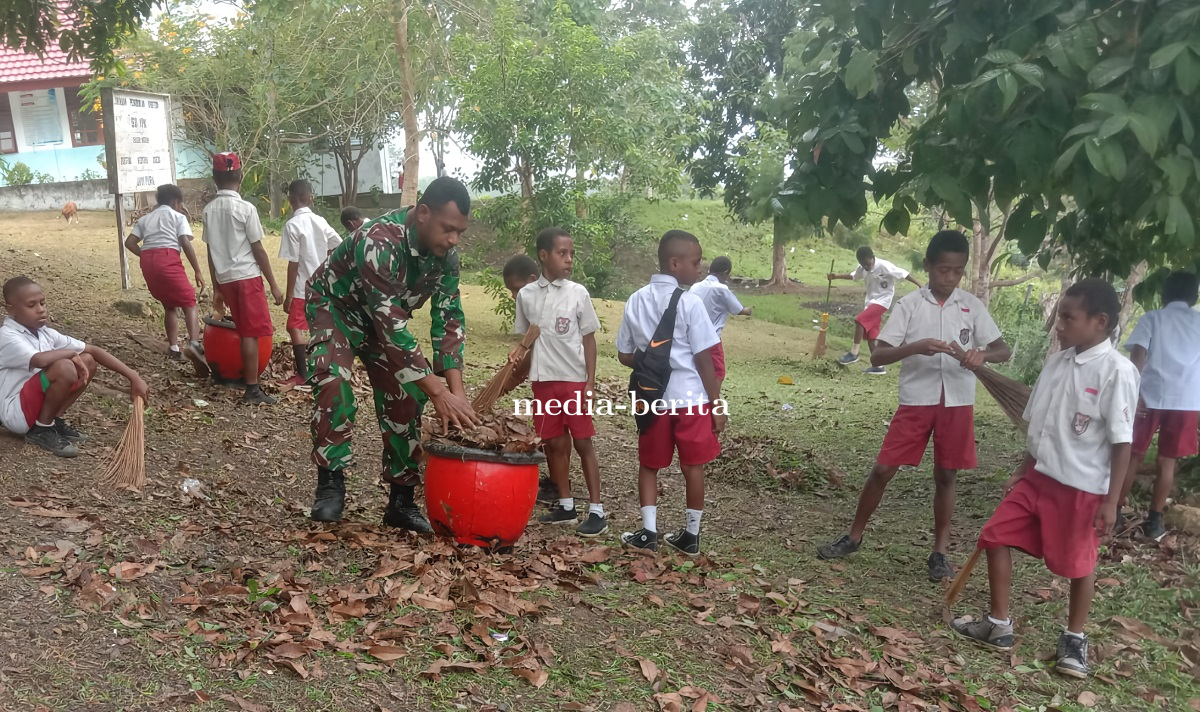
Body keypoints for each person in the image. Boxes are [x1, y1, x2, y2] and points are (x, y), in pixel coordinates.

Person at [952, 279, 1138, 679]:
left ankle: (1074, 639)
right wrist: (1021, 471)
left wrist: (1111, 500)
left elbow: (1123, 443)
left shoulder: (1116, 372)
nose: (1059, 325)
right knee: (995, 536)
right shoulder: (1057, 363)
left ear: (1100, 322)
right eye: (1059, 317)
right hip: (1037, 477)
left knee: (1079, 564)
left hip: (1081, 488)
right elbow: (1039, 424)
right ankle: (999, 623)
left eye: (1069, 318)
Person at [816, 230, 1011, 581]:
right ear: (928, 266)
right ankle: (854, 536)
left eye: (956, 271)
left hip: (957, 401)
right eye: (942, 270)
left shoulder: (971, 306)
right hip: (917, 400)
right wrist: (916, 347)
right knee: (883, 469)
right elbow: (880, 353)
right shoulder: (910, 305)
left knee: (946, 475)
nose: (949, 278)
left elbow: (1003, 350)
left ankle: (939, 552)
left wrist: (982, 354)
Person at [306, 176, 481, 532]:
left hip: (383, 321)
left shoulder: (446, 257)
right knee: (333, 382)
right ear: (423, 213)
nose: (453, 240)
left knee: (406, 395)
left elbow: (449, 318)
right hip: (337, 308)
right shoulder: (380, 241)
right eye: (448, 229)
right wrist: (438, 390)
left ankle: (401, 501)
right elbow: (391, 325)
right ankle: (331, 482)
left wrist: (456, 392)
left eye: (460, 232)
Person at [617, 230, 727, 555]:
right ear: (675, 263)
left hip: (653, 400)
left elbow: (624, 355)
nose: (700, 268)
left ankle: (648, 533)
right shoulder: (691, 303)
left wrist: (649, 360)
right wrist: (717, 405)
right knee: (693, 468)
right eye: (696, 262)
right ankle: (691, 537)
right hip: (691, 400)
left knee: (649, 466)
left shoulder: (635, 300)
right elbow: (705, 360)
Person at [509, 228, 606, 537]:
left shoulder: (578, 293)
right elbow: (527, 342)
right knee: (552, 443)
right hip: (543, 383)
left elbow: (589, 340)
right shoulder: (526, 296)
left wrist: (590, 383)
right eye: (562, 253)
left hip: (574, 382)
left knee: (582, 442)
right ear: (543, 255)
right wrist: (516, 360)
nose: (568, 259)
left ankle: (596, 510)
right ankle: (566, 505)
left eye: (571, 254)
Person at [0, 276, 149, 457]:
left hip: (34, 403)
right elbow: (39, 360)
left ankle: (52, 421)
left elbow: (93, 350)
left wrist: (133, 376)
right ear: (11, 309)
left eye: (42, 303)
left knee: (87, 360)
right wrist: (70, 354)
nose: (41, 310)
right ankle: (42, 429)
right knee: (64, 367)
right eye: (31, 306)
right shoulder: (8, 336)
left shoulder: (46, 334)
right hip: (16, 412)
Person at [1118, 271, 1200, 541]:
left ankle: (1116, 512)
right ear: (1194, 296)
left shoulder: (1153, 317)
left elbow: (1138, 354)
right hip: (1187, 400)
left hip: (1149, 396)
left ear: (1164, 295)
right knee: (1168, 461)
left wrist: (1134, 392)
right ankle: (1154, 521)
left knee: (1134, 454)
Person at [201, 152, 284, 405]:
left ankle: (243, 379)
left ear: (215, 178)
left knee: (243, 329)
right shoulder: (246, 208)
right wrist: (273, 283)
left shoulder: (209, 210)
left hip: (225, 277)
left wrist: (216, 286)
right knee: (251, 333)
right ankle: (252, 389)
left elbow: (210, 251)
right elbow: (258, 249)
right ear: (241, 176)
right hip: (247, 277)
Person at [124, 184, 207, 371]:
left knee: (169, 304)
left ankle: (174, 348)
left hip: (148, 263)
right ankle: (194, 344)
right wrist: (197, 271)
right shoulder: (178, 217)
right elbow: (185, 242)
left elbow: (129, 242)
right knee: (189, 302)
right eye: (180, 203)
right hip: (168, 259)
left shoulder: (146, 219)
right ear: (174, 201)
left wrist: (145, 255)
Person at [278, 180, 343, 391]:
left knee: (294, 326)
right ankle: (323, 371)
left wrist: (288, 295)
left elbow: (293, 263)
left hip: (301, 287)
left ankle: (303, 376)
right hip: (321, 285)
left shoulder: (292, 225)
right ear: (311, 198)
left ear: (290, 200)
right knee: (319, 327)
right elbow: (339, 245)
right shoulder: (320, 221)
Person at [502, 253, 556, 503]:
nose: (515, 296)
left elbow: (532, 352)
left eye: (516, 289)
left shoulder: (548, 307)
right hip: (545, 379)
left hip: (558, 380)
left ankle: (558, 485)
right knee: (547, 431)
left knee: (553, 434)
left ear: (533, 280)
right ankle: (556, 480)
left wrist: (508, 383)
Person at [829, 246, 922, 375]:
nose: (866, 267)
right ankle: (878, 366)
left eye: (868, 264)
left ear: (872, 258)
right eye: (863, 265)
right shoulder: (863, 268)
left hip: (883, 301)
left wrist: (919, 284)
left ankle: (854, 353)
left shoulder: (884, 266)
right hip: (870, 302)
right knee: (871, 336)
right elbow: (854, 276)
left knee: (859, 320)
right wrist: (836, 276)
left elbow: (904, 273)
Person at [689, 256, 752, 386]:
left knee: (697, 371)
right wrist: (748, 310)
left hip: (691, 337)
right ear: (725, 272)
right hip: (711, 339)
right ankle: (713, 403)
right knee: (717, 373)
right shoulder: (721, 289)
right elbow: (739, 310)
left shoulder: (694, 287)